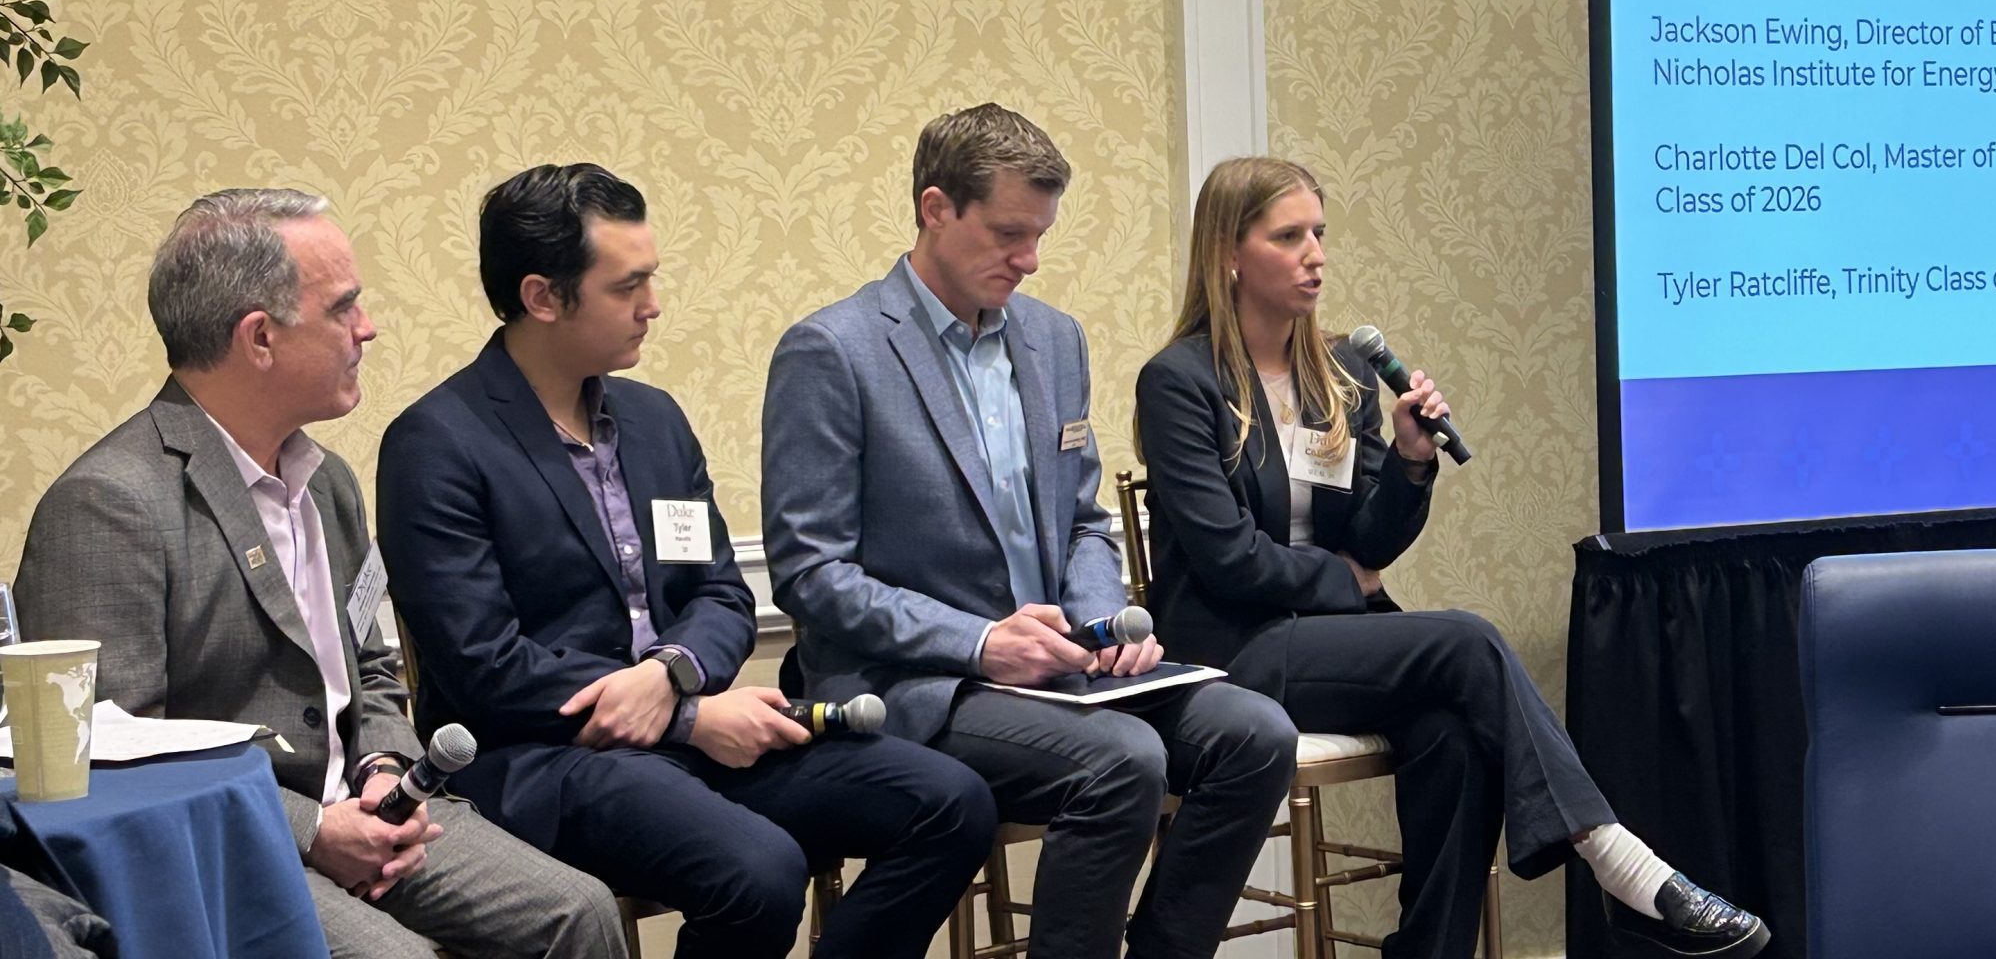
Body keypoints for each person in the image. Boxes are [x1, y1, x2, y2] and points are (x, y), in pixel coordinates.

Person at [1133, 156, 1771, 959]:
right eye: (1288, 236)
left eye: (1320, 234)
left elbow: (1372, 542)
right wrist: (1345, 580)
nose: (1315, 255)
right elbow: (1227, 559)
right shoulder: (1180, 381)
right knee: (1465, 639)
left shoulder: (1345, 374)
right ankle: (1619, 862)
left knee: (1453, 733)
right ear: (1229, 251)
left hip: (1327, 640)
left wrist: (1409, 461)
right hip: (1230, 651)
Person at [377, 164, 994, 959]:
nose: (654, 304)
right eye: (626, 285)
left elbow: (723, 594)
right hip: (545, 759)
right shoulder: (438, 442)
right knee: (761, 872)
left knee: (951, 803)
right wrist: (690, 716)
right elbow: (481, 665)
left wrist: (674, 676)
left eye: (652, 278)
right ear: (542, 297)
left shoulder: (654, 420)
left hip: (688, 728)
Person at [14, 189, 624, 959]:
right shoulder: (109, 503)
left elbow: (370, 665)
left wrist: (384, 770)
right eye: (344, 308)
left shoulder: (326, 478)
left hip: (370, 807)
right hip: (232, 837)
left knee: (579, 912)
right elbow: (112, 753)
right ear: (260, 337)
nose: (367, 328)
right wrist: (313, 831)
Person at [762, 103, 1298, 959]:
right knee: (1121, 760)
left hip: (1066, 668)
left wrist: (1103, 620)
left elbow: (1084, 519)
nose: (1030, 259)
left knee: (1257, 733)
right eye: (1009, 234)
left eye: (1041, 234)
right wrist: (980, 643)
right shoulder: (835, 350)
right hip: (926, 681)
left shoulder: (1054, 340)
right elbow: (812, 573)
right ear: (936, 209)